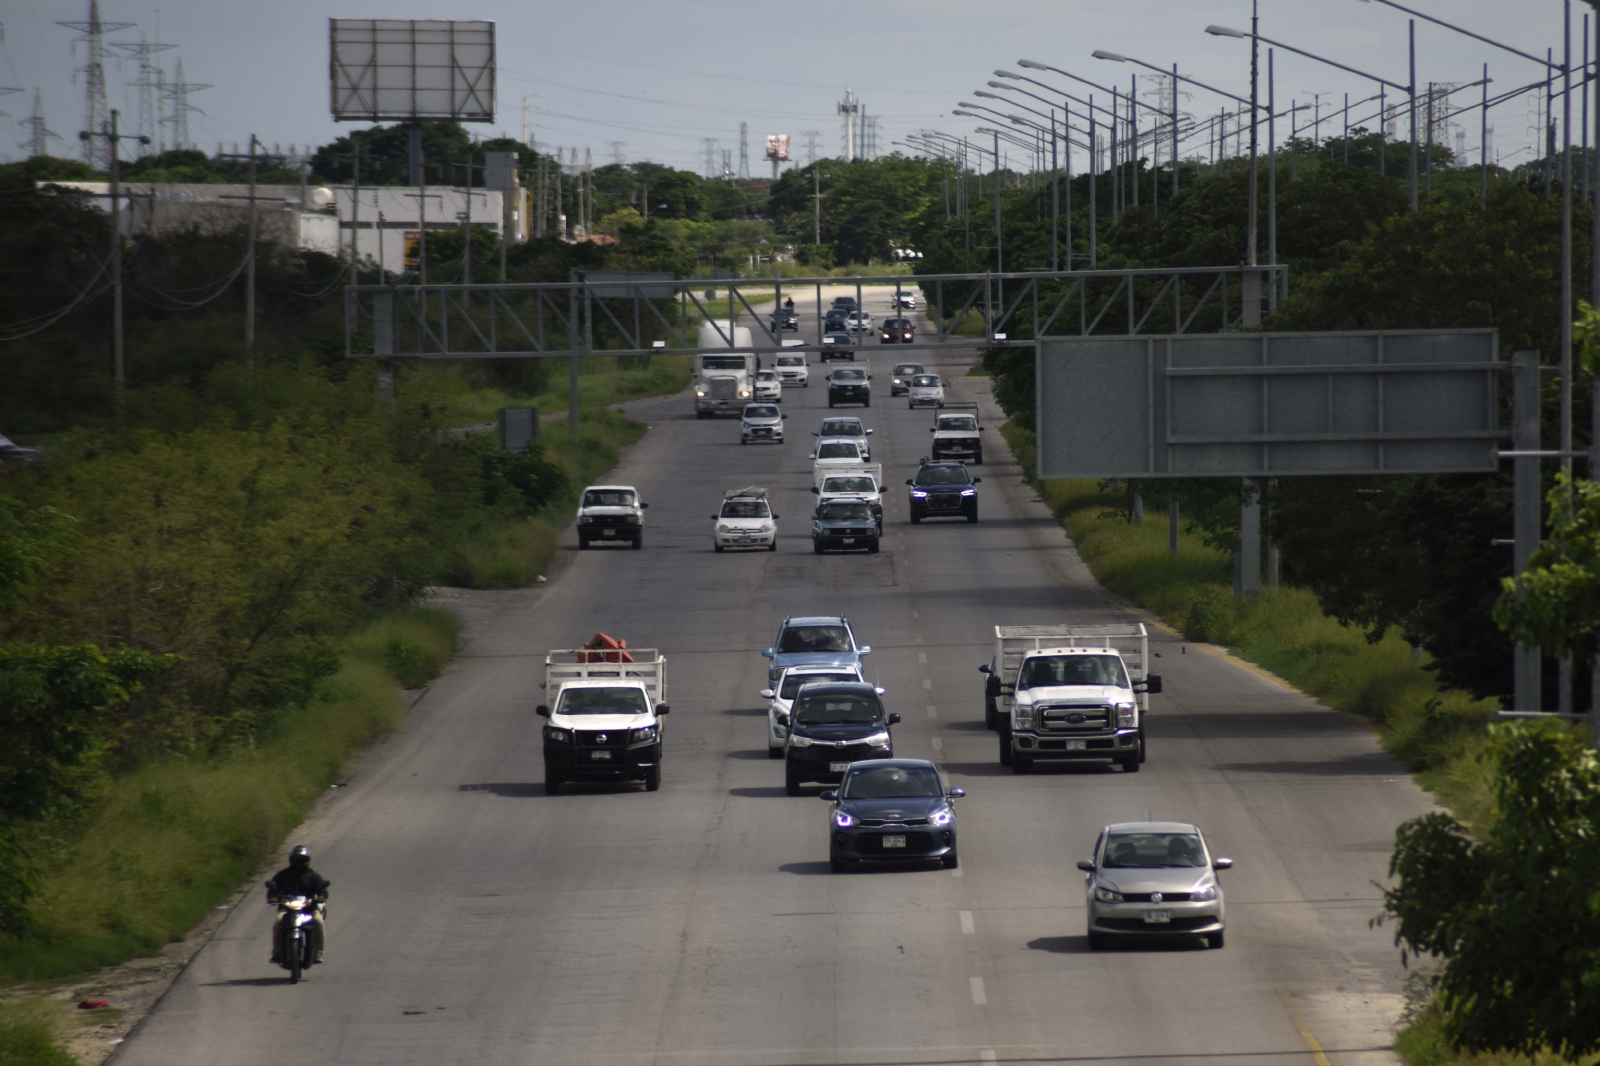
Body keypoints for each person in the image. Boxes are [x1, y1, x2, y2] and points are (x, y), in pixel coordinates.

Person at [266, 845, 330, 964]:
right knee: (278, 922)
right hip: (287, 907)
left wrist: (322, 896)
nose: (299, 861)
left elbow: (322, 888)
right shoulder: (283, 874)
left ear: (308, 860)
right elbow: (273, 888)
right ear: (291, 859)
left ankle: (319, 952)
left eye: (302, 859)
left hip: (309, 907)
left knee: (319, 921)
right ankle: (277, 952)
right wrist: (272, 897)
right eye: (297, 859)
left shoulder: (313, 875)